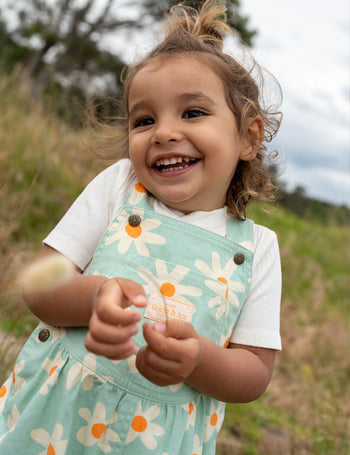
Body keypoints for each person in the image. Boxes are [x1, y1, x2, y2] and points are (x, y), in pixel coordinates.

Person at [0, 1, 282, 453]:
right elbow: (39, 286)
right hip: (53, 414)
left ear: (249, 135)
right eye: (144, 120)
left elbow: (253, 372)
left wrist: (199, 360)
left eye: (192, 113)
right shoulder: (119, 186)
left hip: (156, 440)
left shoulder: (257, 248)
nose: (163, 133)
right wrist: (94, 297)